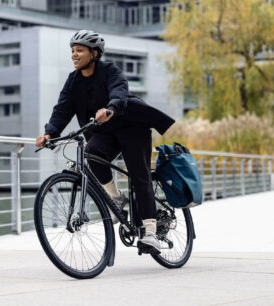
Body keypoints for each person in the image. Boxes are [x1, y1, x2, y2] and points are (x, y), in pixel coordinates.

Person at [36, 30, 175, 254]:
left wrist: (111, 108)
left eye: (79, 50)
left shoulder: (109, 70)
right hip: (106, 132)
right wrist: (49, 133)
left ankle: (150, 232)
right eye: (72, 51)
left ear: (94, 53)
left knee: (139, 174)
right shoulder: (73, 80)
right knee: (92, 152)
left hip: (131, 126)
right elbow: (62, 108)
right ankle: (116, 198)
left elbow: (120, 90)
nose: (74, 55)